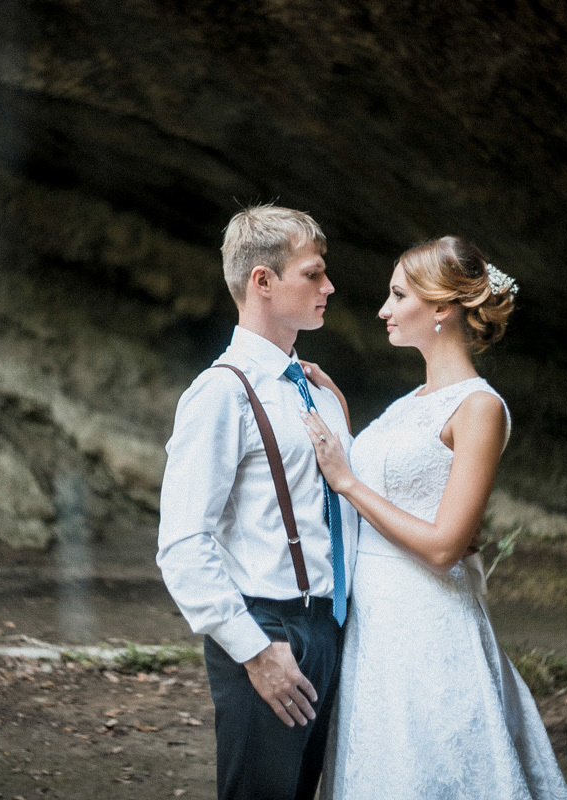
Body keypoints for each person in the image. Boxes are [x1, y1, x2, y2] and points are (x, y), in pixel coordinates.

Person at [301, 236, 567, 799]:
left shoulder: (479, 407)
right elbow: (395, 482)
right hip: (374, 618)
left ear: (442, 308)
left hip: (425, 618)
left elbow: (447, 545)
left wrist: (345, 481)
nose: (383, 309)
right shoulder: (410, 402)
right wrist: (341, 417)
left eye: (398, 295)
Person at [156, 205, 359, 800]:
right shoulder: (221, 394)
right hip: (268, 630)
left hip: (333, 627)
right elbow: (182, 544)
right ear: (262, 282)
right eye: (313, 274)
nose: (329, 287)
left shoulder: (317, 389)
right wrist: (253, 650)